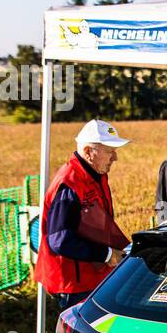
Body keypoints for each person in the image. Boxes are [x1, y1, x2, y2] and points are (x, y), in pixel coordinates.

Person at [35, 120, 130, 310]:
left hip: (90, 275)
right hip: (72, 282)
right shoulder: (69, 184)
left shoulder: (95, 174)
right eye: (110, 151)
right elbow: (60, 240)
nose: (115, 158)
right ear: (88, 152)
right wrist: (106, 254)